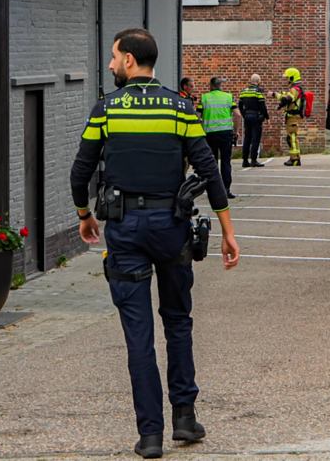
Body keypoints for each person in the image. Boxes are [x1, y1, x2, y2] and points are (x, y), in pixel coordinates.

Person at [70, 28, 239, 458]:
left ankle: (150, 437)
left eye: (113, 57)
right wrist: (228, 232)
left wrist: (85, 217)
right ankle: (184, 417)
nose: (110, 65)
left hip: (124, 229)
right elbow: (209, 170)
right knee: (178, 321)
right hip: (172, 226)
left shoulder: (106, 109)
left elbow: (80, 172)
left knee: (138, 336)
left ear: (129, 61)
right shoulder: (181, 108)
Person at [200, 77, 241, 198]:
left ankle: (213, 190)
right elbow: (238, 115)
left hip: (210, 134)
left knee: (212, 162)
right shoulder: (228, 97)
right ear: (220, 86)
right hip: (226, 133)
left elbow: (197, 115)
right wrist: (236, 131)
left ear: (211, 86)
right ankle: (226, 189)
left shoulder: (205, 98)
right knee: (226, 161)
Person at [272, 67, 305, 167]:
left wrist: (275, 95)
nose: (286, 80)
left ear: (292, 78)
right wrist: (280, 105)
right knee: (291, 137)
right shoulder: (294, 89)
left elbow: (289, 98)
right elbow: (287, 97)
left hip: (294, 117)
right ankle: (295, 157)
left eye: (287, 78)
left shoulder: (295, 89)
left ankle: (294, 159)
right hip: (292, 117)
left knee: (292, 138)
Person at [238, 74, 269, 168]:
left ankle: (245, 160)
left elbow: (240, 105)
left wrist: (244, 114)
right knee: (255, 138)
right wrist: (266, 117)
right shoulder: (258, 91)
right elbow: (262, 106)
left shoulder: (244, 91)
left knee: (247, 138)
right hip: (256, 116)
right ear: (258, 81)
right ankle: (254, 159)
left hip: (247, 116)